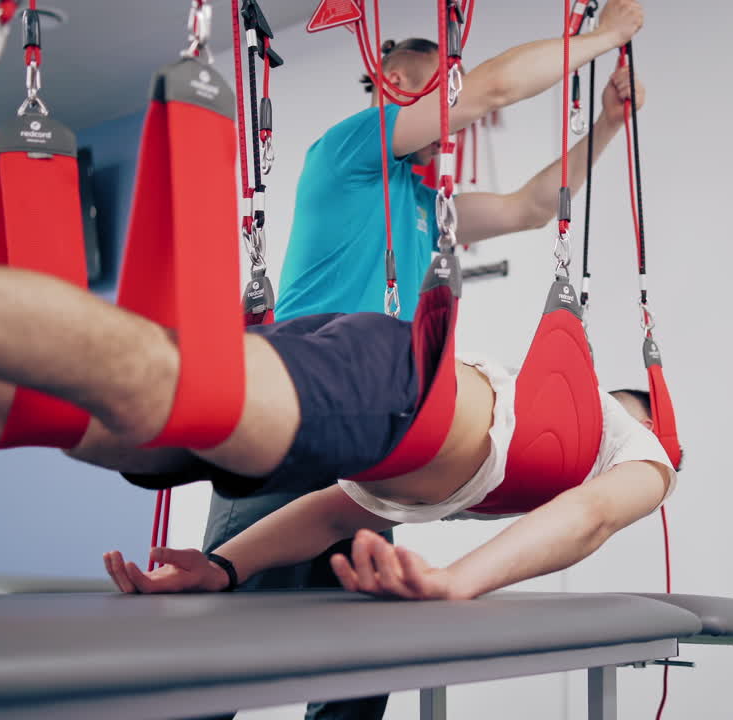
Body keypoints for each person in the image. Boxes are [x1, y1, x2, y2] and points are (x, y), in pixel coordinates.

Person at [202, 12, 650, 714]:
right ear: (396, 82)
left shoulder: (423, 201)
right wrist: (600, 36)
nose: (460, 108)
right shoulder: (346, 154)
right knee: (221, 650)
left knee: (360, 660)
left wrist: (610, 123)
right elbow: (493, 90)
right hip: (291, 415)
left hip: (374, 441)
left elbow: (530, 207)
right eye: (444, 81)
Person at [0, 242, 674, 604]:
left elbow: (342, 508)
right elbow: (590, 520)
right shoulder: (641, 449)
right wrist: (458, 587)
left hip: (372, 409)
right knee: (142, 376)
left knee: (64, 417)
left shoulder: (502, 461)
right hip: (395, 391)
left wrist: (223, 567)